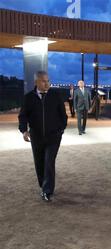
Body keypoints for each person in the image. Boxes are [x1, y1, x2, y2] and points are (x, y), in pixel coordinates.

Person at [18, 71, 68, 202]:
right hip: (36, 137)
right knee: (39, 163)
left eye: (48, 81)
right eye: (43, 81)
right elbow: (23, 116)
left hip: (53, 137)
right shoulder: (28, 97)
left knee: (49, 162)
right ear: (36, 82)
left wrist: (61, 130)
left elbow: (63, 115)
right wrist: (24, 130)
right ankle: (43, 185)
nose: (47, 84)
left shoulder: (56, 95)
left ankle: (47, 191)